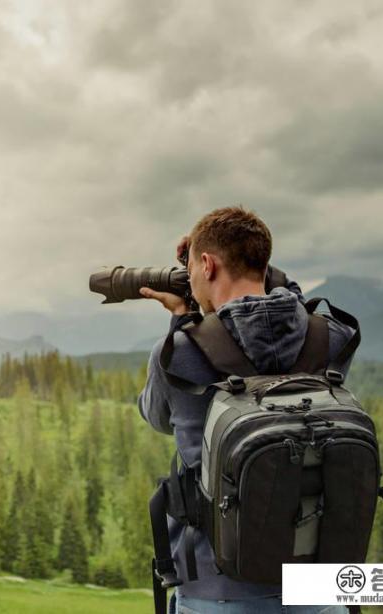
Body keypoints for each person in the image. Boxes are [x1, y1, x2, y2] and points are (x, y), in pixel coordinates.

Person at [137, 206, 356, 614]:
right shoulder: (331, 337)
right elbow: (283, 315)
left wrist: (181, 323)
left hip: (218, 589)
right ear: (266, 265)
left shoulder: (178, 354)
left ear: (205, 264)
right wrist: (263, 267)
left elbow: (156, 416)